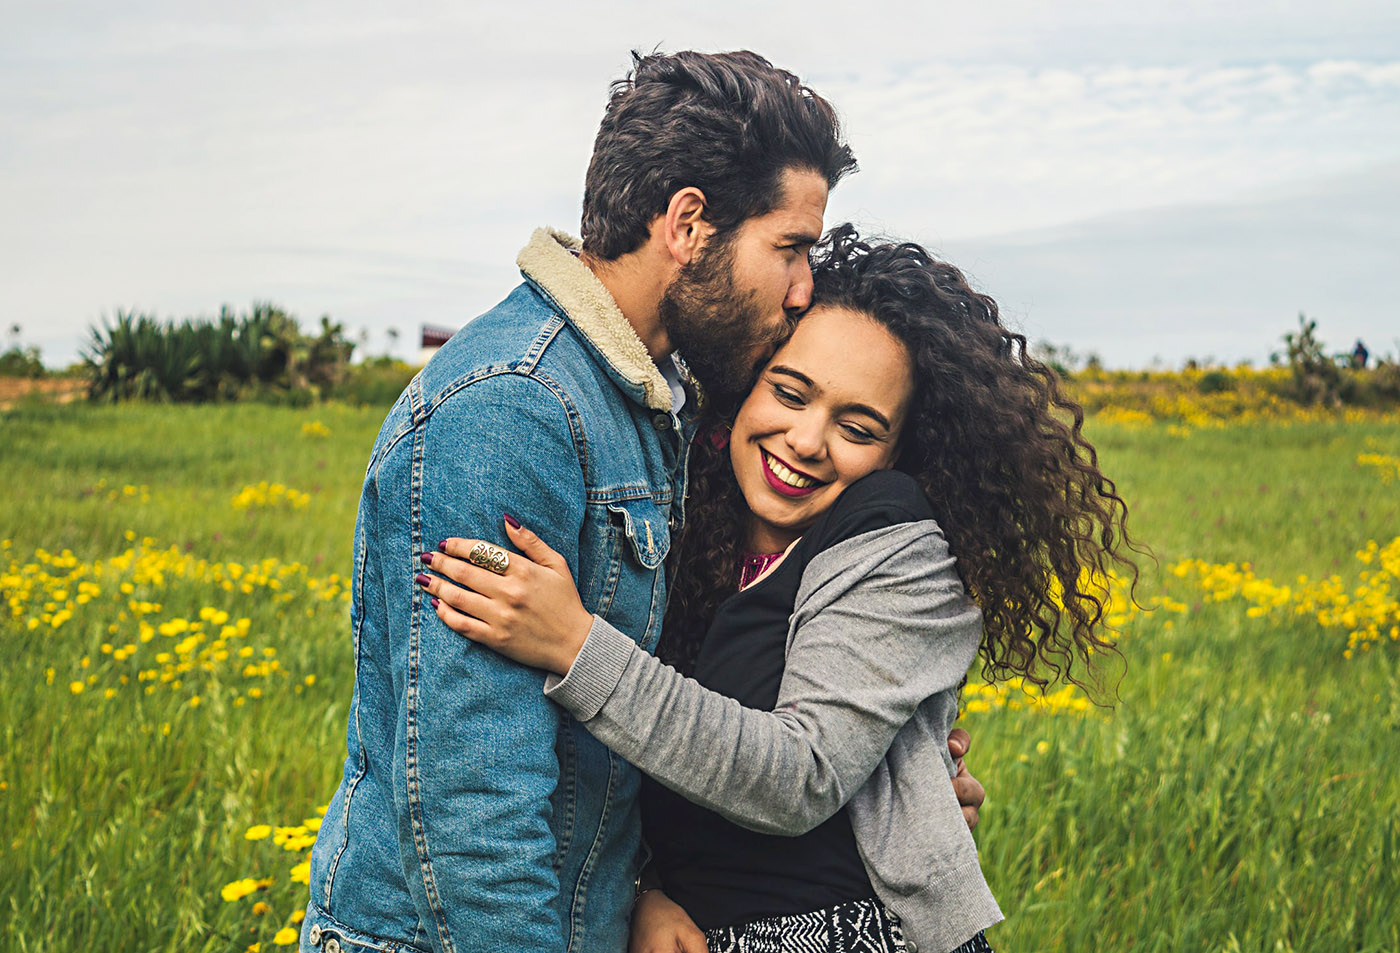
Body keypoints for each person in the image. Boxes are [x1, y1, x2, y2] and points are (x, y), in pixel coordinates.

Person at [301, 52, 985, 953]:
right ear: (690, 225)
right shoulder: (515, 409)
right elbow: (475, 807)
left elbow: (611, 755)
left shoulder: (657, 402)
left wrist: (644, 889)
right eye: (790, 247)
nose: (804, 285)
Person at [416, 228, 1138, 953]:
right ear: (742, 386)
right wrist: (644, 887)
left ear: (899, 452)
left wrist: (575, 644)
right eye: (790, 392)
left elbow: (799, 774)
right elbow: (637, 759)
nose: (805, 439)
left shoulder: (898, 543)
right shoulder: (680, 521)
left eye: (856, 426)